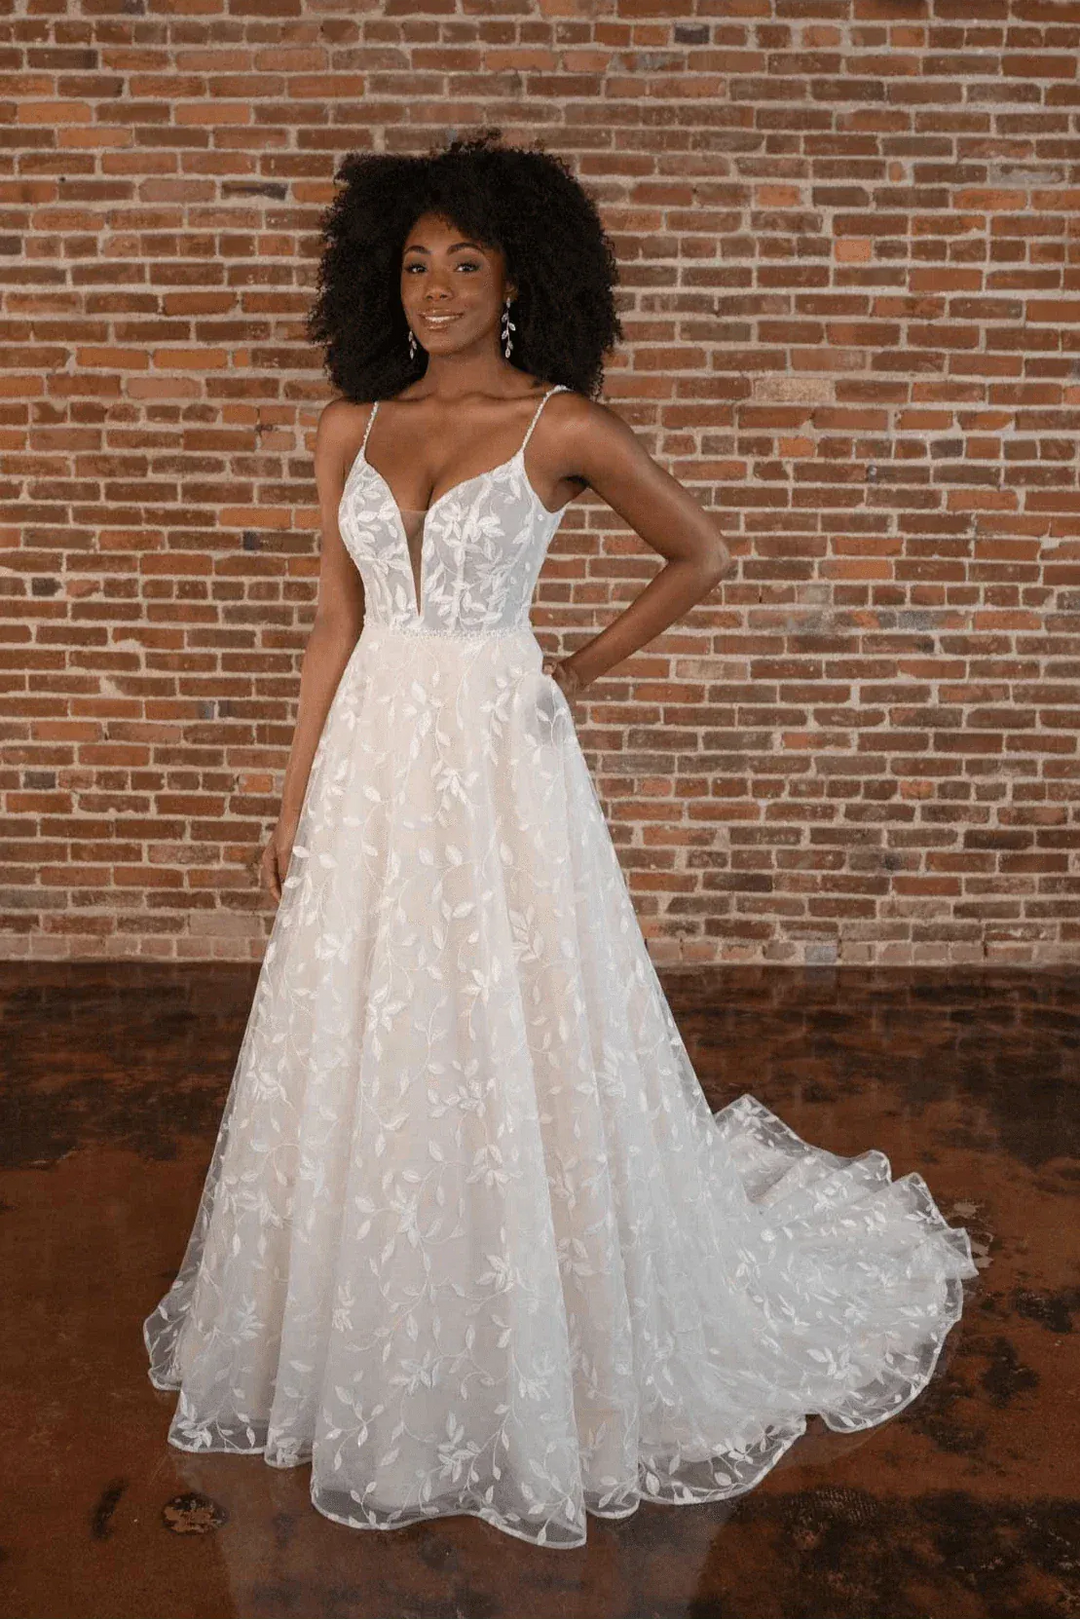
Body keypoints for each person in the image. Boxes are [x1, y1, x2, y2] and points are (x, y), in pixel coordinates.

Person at [144, 130, 977, 1550]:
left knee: (517, 1019)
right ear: (381, 279)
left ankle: (538, 1313)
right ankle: (387, 1311)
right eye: (414, 263)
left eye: (466, 262)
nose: (437, 288)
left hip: (497, 762)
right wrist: (287, 809)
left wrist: (574, 668)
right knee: (368, 1029)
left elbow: (700, 555)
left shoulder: (561, 427)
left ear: (521, 274)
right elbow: (334, 627)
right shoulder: (350, 423)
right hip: (373, 767)